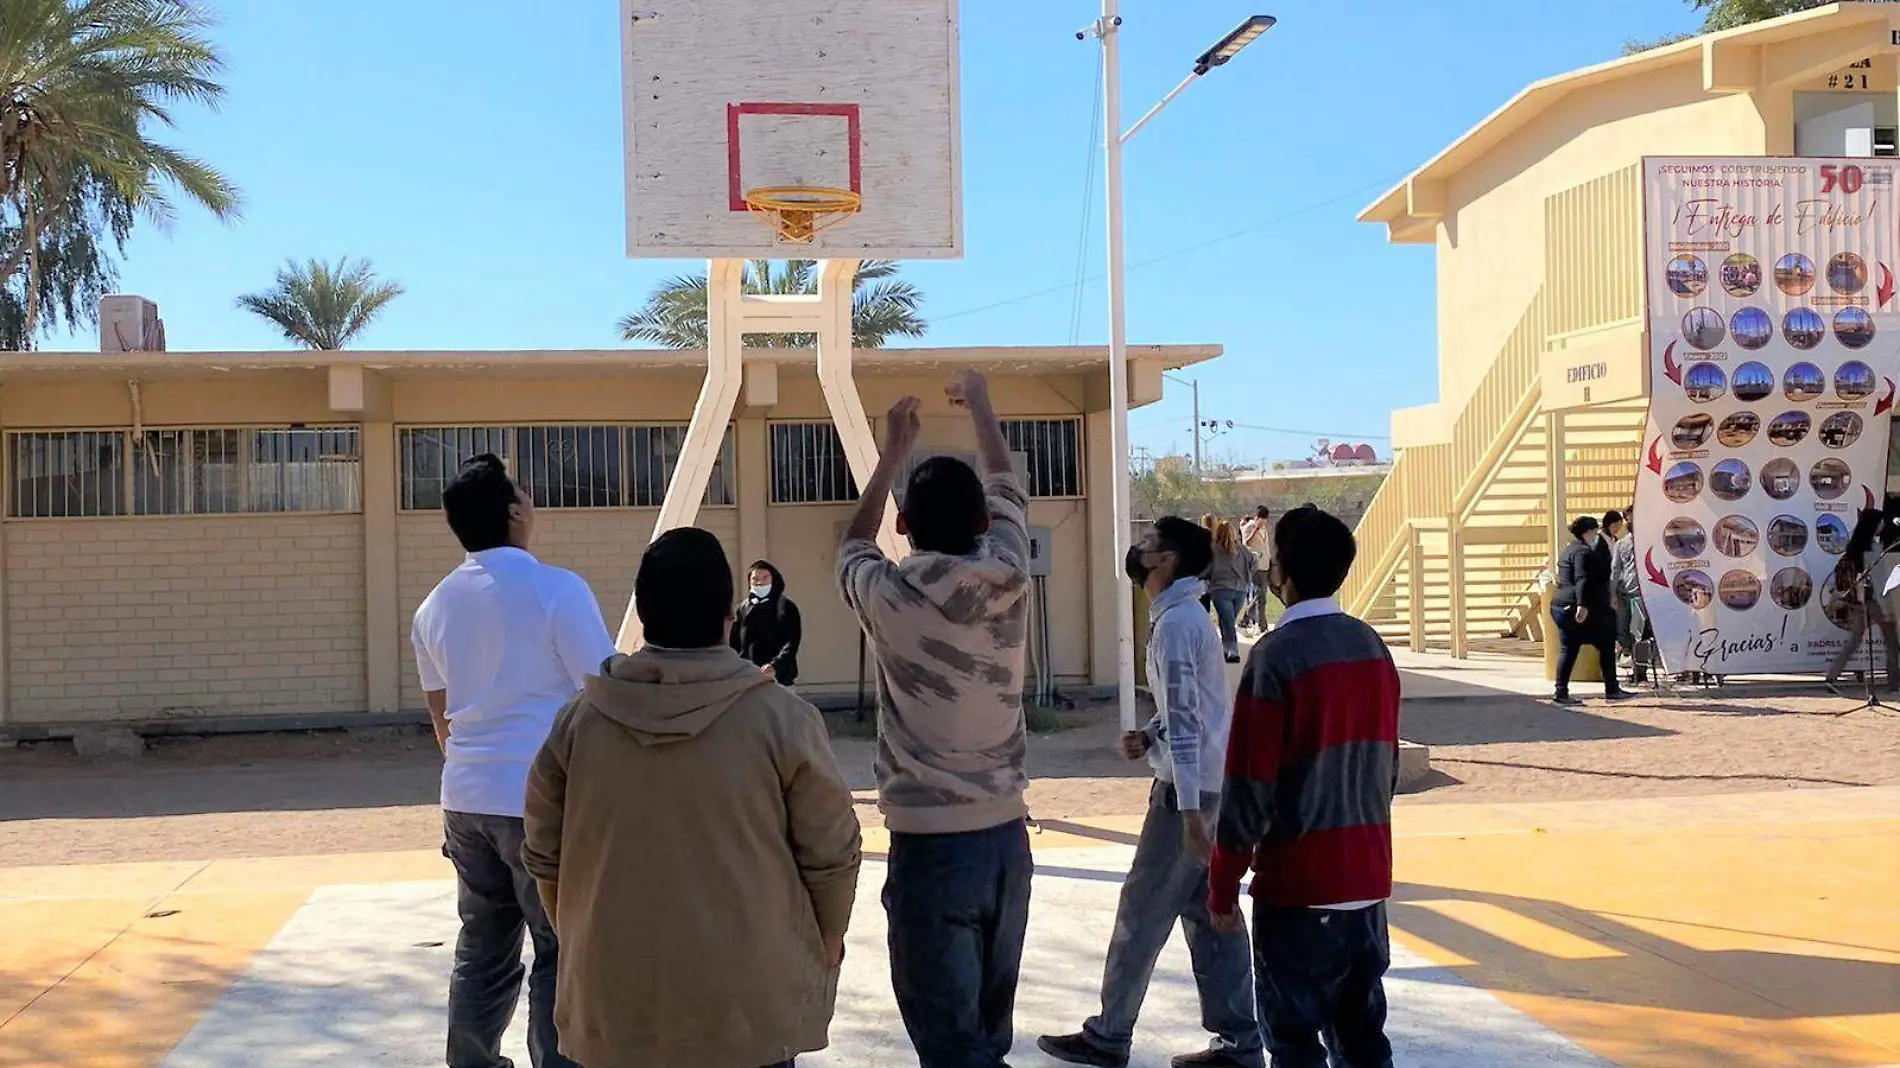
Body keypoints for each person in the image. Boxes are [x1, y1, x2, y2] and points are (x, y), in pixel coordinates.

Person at [522, 527, 861, 1068]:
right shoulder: (782, 719)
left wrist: (580, 934)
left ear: (644, 614)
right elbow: (832, 855)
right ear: (729, 617)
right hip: (749, 1008)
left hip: (612, 1006)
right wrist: (828, 940)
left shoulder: (579, 722)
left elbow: (542, 852)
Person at [837, 370, 1034, 1068]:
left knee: (950, 1048)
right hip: (1008, 840)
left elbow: (851, 547)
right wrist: (982, 403)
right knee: (986, 1038)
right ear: (984, 524)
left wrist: (891, 453)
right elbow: (1007, 484)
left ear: (905, 525)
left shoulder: (887, 596)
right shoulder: (1011, 575)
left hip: (930, 843)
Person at [410, 454, 616, 1068]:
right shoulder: (557, 588)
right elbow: (605, 689)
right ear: (515, 512)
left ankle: (471, 1061)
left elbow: (440, 721)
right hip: (540, 800)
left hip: (465, 799)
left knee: (483, 944)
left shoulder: (433, 606)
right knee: (557, 946)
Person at [1037, 517, 1263, 1068]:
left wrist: (1186, 812)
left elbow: (1188, 719)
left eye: (1147, 544)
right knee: (1213, 916)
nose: (1137, 551)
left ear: (1167, 561)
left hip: (1188, 796)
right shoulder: (1186, 619)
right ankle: (1239, 1040)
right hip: (1206, 785)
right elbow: (1189, 713)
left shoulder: (1180, 624)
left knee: (1141, 913)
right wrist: (1151, 734)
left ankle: (1110, 1035)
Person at [1208, 505, 1401, 1068]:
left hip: (1297, 890)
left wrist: (1223, 883)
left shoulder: (1275, 657)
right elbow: (1384, 768)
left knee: (1293, 1044)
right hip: (1367, 883)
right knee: (1364, 1040)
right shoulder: (1371, 646)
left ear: (1279, 573)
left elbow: (1249, 785)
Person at [1551, 515, 1626, 705]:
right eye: (1594, 531)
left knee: (1569, 648)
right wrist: (1582, 605)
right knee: (1606, 641)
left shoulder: (1568, 549)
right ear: (1588, 532)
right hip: (1576, 606)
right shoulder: (1583, 552)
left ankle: (1561, 691)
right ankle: (1611, 688)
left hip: (1560, 604)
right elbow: (1582, 578)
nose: (1596, 534)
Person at [1826, 508, 1899, 694]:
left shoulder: (1853, 547)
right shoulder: (1873, 549)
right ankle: (1894, 683)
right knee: (1891, 642)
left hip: (1856, 602)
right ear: (1874, 525)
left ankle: (1832, 676)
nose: (1883, 525)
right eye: (1880, 522)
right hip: (1874, 602)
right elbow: (1880, 582)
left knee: (1854, 641)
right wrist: (1887, 610)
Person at [732, 559, 802, 687]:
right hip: (748, 679)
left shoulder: (786, 607)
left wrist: (775, 666)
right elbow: (734, 643)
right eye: (755, 578)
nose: (759, 582)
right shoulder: (743, 609)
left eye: (765, 577)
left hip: (778, 679)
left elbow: (792, 643)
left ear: (773, 579)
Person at [1206, 520, 1257, 663]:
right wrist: (1248, 574)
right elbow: (1254, 561)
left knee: (1226, 620)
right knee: (1229, 620)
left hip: (1220, 589)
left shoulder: (1213, 550)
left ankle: (1229, 649)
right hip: (1240, 589)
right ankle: (1230, 650)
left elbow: (1207, 567)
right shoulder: (1242, 549)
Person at [1609, 505, 1647, 685]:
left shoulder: (1650, 541)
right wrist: (1612, 594)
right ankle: (1631, 659)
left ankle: (1640, 671)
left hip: (1643, 595)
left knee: (1640, 633)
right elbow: (1615, 570)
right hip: (1624, 594)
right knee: (1623, 632)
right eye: (1629, 518)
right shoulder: (1621, 544)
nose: (1631, 521)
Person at [1240, 507, 1273, 630]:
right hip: (1255, 565)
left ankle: (1246, 620)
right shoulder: (1250, 526)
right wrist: (1254, 529)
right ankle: (1261, 624)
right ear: (1259, 518)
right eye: (1263, 519)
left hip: (1264, 565)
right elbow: (1246, 542)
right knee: (1261, 595)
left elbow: (1265, 546)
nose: (1264, 522)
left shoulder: (1263, 529)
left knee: (1260, 595)